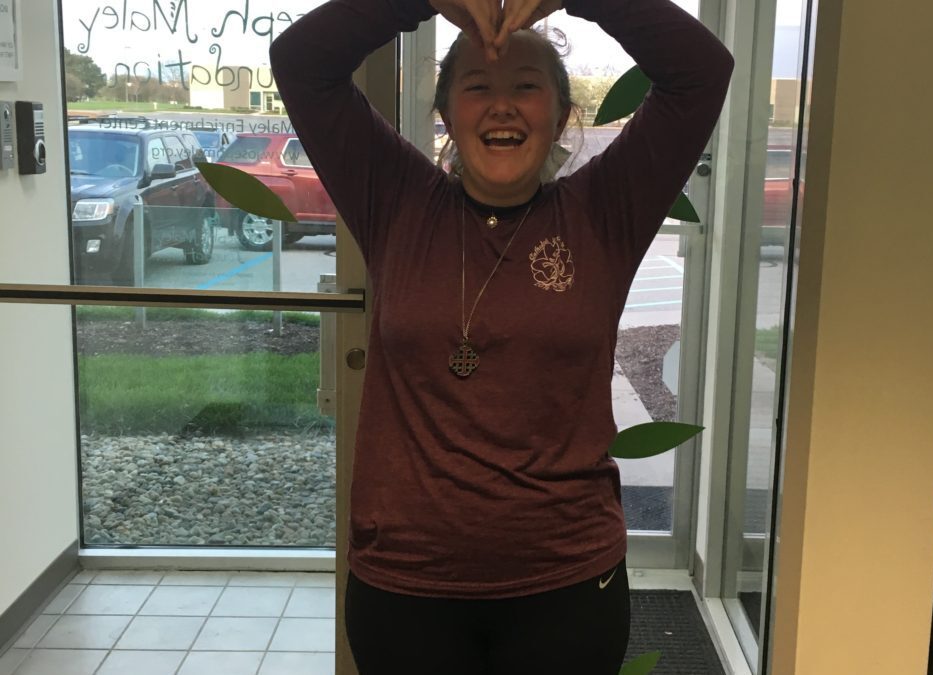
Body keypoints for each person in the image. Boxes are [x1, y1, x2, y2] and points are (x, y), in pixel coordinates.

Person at [270, 0, 732, 672]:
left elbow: (701, 70)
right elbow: (302, 63)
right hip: (405, 584)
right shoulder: (397, 200)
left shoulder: (605, 210)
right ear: (448, 115)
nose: (503, 106)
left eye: (526, 87)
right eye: (478, 87)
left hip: (566, 586)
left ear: (562, 115)